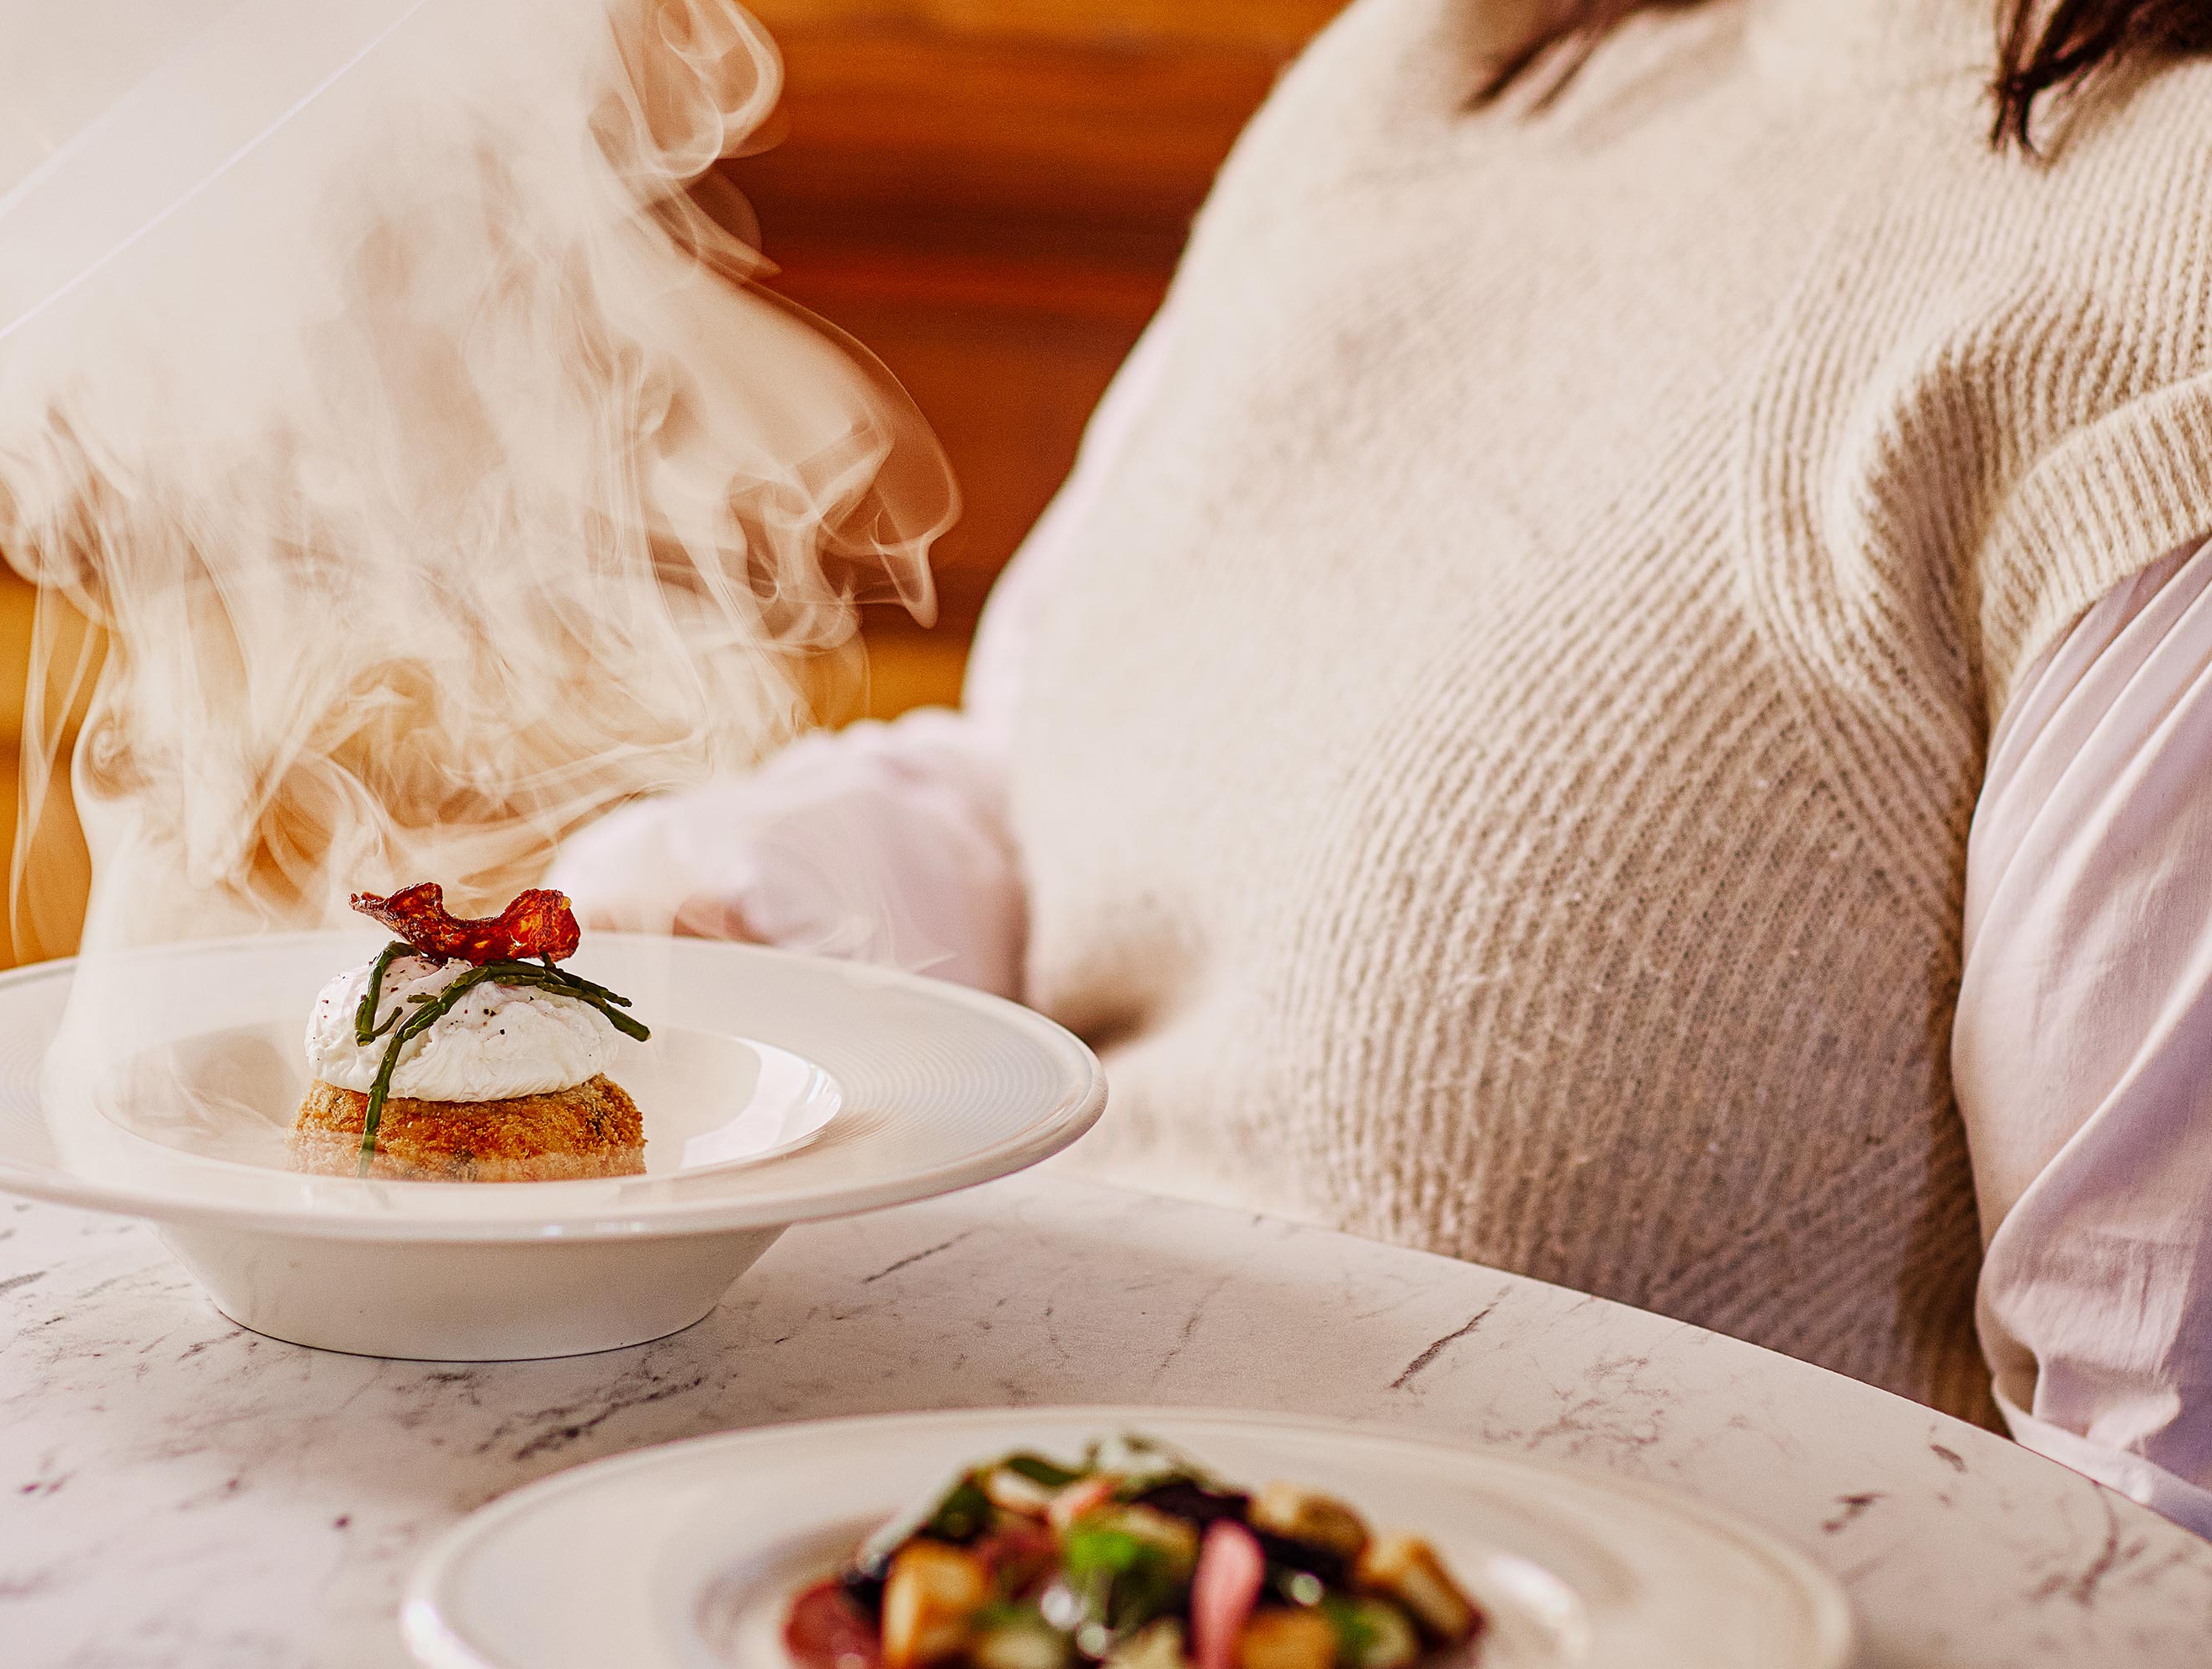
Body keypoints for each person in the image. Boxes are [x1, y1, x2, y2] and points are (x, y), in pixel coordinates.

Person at [557, 0, 2212, 1533]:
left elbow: (2147, 1486)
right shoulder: (1436, 57)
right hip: (974, 1537)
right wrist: (720, 917)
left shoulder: (2160, 255)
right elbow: (1058, 773)